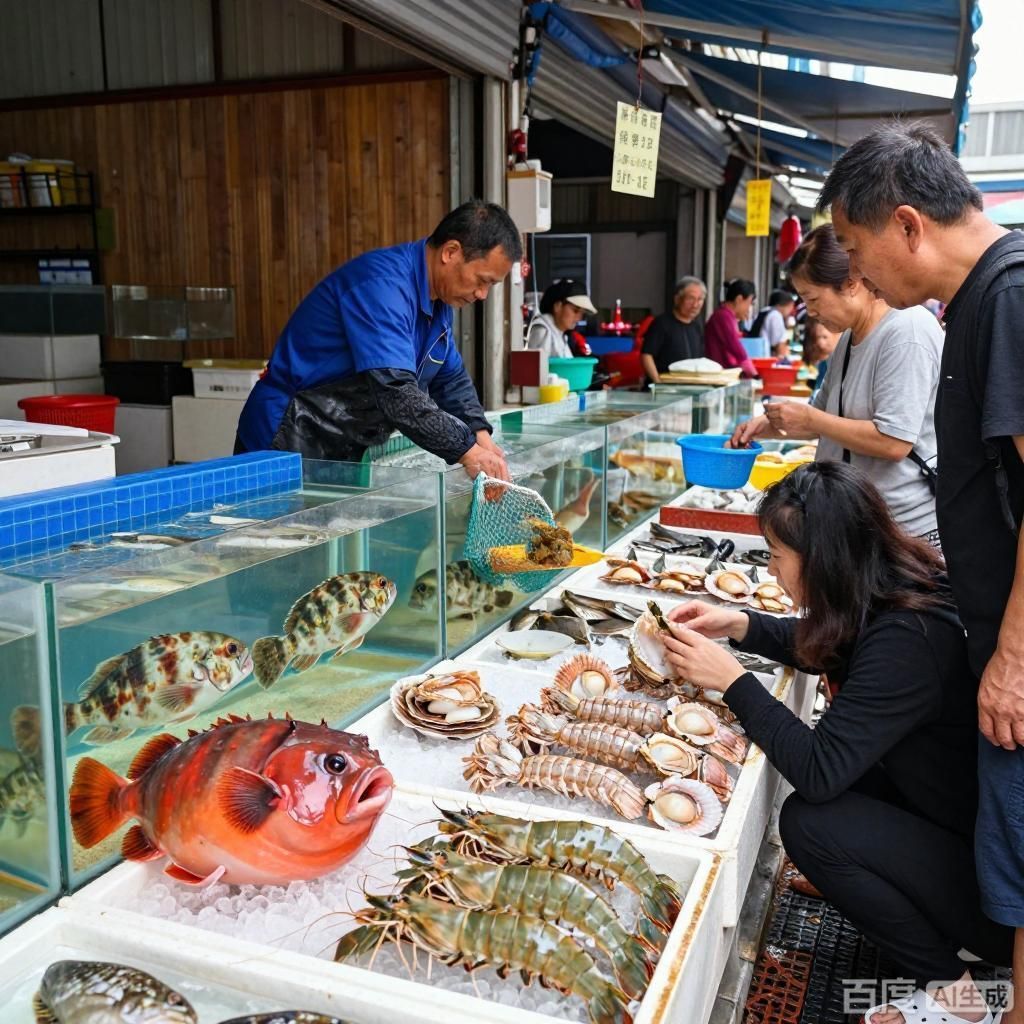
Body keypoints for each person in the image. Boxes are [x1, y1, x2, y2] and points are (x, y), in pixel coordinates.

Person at [662, 462, 1012, 1024]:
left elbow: (819, 770)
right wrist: (738, 625)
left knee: (810, 824)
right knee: (837, 800)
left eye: (777, 557)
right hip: (954, 828)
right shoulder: (897, 589)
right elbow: (838, 646)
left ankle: (959, 995)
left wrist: (733, 681)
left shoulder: (908, 641)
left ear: (823, 561)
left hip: (993, 903)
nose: (772, 571)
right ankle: (924, 913)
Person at [818, 120, 1024, 1024]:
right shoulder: (980, 300)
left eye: (859, 252)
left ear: (907, 225)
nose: (858, 277)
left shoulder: (1006, 297)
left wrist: (1013, 657)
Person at [235, 200, 519, 481]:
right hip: (288, 432)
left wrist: (481, 436)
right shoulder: (382, 285)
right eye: (482, 281)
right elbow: (395, 391)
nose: (482, 295)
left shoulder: (440, 304)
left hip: (342, 443)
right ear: (451, 252)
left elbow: (450, 378)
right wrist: (465, 450)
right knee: (275, 526)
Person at [730, 225, 942, 545]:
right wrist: (767, 425)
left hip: (901, 530)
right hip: (851, 520)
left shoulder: (907, 331)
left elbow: (894, 441)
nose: (811, 312)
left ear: (851, 283)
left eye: (813, 299)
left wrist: (811, 419)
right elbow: (825, 417)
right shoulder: (848, 339)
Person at [640, 276, 707, 384]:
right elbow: (647, 355)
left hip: (689, 388)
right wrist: (657, 381)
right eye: (690, 299)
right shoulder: (661, 323)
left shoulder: (697, 327)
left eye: (700, 299)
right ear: (677, 299)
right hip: (664, 388)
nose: (695, 305)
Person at [525, 278, 598, 359]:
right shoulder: (543, 331)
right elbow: (535, 368)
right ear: (558, 306)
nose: (579, 318)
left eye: (582, 314)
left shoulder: (561, 334)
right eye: (575, 310)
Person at [704, 279, 758, 377]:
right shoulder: (723, 316)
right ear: (739, 299)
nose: (749, 308)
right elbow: (735, 347)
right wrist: (753, 373)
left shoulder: (728, 316)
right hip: (718, 375)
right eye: (750, 303)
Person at [802, 316, 841, 394]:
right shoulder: (822, 363)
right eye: (817, 338)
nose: (820, 343)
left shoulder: (838, 362)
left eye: (824, 337)